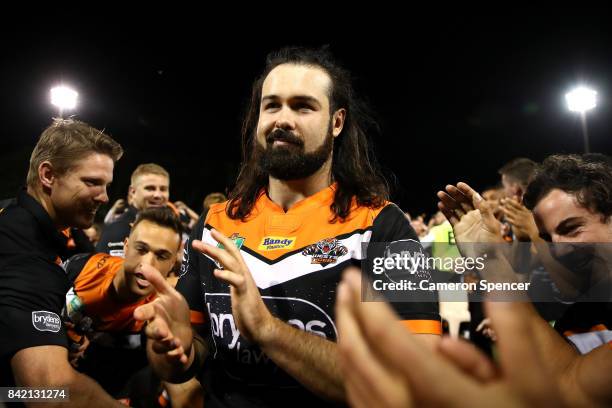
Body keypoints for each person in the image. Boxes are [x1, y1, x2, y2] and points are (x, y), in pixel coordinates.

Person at [135, 46, 441, 407]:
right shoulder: (216, 223)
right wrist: (172, 350)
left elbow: (415, 382)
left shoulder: (383, 226)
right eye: (272, 105)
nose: (283, 119)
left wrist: (268, 331)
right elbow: (190, 356)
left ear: (337, 122)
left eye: (303, 106)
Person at [0, 118, 125, 406]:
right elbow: (48, 394)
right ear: (48, 175)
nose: (105, 197)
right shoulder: (24, 254)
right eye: (92, 182)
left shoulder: (17, 219)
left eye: (106, 185)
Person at [63, 207, 183, 400]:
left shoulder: (161, 316)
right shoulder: (81, 269)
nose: (148, 264)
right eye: (141, 249)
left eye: (161, 256)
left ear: (173, 264)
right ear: (125, 247)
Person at [97, 163, 170, 257]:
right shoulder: (119, 230)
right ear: (133, 192)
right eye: (150, 188)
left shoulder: (168, 229)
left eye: (163, 189)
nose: (158, 195)